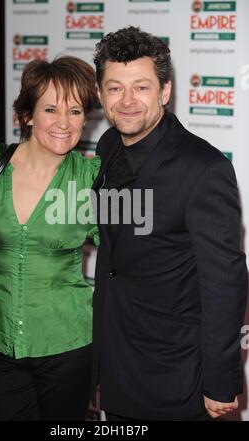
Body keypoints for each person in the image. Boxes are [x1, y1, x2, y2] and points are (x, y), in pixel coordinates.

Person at [91, 26, 248, 421]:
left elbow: (224, 283)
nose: (127, 101)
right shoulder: (107, 146)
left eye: (141, 87)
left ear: (164, 91)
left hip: (175, 373)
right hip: (115, 364)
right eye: (114, 88)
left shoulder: (205, 169)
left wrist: (220, 380)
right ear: (100, 94)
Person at [0, 56, 100, 421]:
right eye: (51, 109)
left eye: (76, 111)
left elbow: (133, 248)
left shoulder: (92, 179)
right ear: (28, 115)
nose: (64, 123)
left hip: (66, 344)